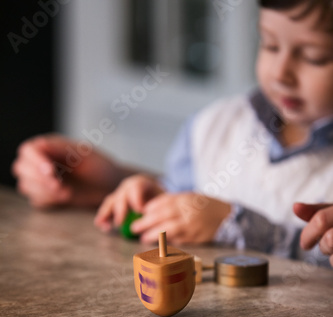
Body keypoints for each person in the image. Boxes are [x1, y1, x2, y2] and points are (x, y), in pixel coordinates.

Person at [12, 0, 333, 267]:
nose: (281, 73)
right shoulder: (214, 126)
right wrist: (149, 197)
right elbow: (177, 198)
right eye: (270, 44)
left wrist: (238, 225)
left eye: (314, 56)